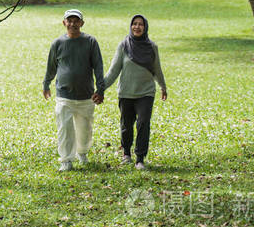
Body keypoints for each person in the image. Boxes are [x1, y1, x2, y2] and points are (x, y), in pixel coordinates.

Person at [93, 14, 167, 170]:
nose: (137, 27)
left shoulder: (152, 47)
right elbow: (113, 71)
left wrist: (163, 86)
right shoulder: (123, 46)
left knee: (143, 124)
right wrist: (101, 89)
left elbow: (157, 69)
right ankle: (126, 153)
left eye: (141, 24)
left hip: (146, 93)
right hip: (126, 93)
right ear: (130, 26)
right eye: (134, 24)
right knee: (126, 125)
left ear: (145, 27)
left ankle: (140, 158)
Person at [43, 9, 105, 172]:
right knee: (65, 128)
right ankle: (66, 160)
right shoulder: (58, 43)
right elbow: (51, 67)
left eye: (76, 21)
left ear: (81, 23)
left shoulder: (90, 42)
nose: (72, 24)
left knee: (84, 129)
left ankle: (82, 152)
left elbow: (98, 66)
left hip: (86, 95)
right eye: (69, 21)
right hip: (64, 95)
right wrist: (46, 84)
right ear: (64, 23)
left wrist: (101, 88)